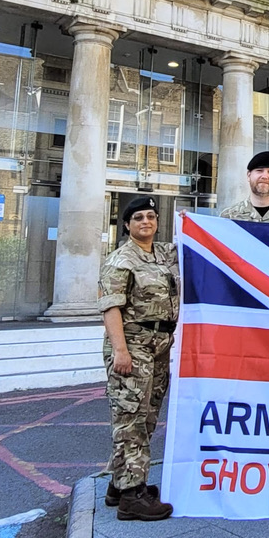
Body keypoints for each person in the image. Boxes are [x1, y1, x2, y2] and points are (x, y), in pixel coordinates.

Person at [98, 196, 179, 521]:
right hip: (132, 344)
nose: (146, 222)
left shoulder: (165, 253)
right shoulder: (120, 259)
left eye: (151, 216)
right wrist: (120, 350)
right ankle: (132, 497)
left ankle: (119, 485)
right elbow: (111, 306)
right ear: (127, 225)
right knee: (130, 418)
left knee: (145, 417)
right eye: (139, 218)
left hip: (160, 346)